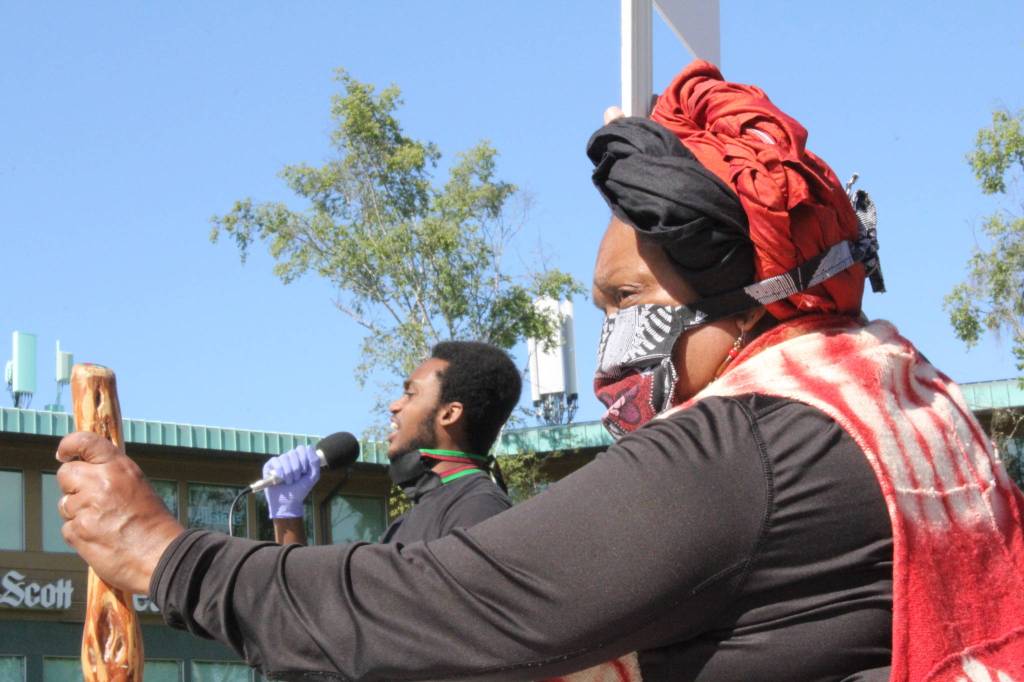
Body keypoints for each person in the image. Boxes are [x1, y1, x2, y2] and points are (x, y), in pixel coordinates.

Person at [54, 61, 1024, 681]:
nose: (609, 339)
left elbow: (440, 609)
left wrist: (163, 553)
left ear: (743, 290)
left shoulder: (740, 448)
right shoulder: (897, 405)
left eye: (621, 303)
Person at [261, 340, 517, 546]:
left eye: (409, 394)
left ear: (449, 414)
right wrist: (287, 517)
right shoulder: (408, 521)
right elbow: (315, 608)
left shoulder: (479, 509)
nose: (394, 405)